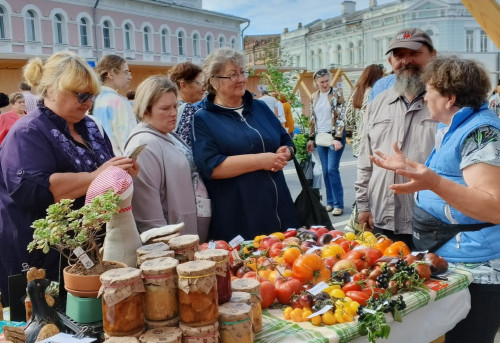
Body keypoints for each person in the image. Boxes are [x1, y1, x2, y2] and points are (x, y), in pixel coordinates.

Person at [370, 56, 500, 343]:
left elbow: (493, 207)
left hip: (477, 271)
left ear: (449, 98)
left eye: (429, 90)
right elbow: (452, 175)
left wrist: (433, 182)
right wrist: (411, 168)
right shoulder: (453, 126)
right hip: (453, 259)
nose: (425, 95)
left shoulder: (481, 132)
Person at [0, 51, 138, 304]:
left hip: (88, 249)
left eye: (91, 96)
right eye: (80, 94)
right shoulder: (28, 131)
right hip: (45, 255)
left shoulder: (90, 126)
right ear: (51, 90)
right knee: (49, 321)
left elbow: (104, 173)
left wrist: (120, 173)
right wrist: (97, 176)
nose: (87, 102)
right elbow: (30, 189)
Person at [192, 48, 298, 242]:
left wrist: (286, 152)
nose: (241, 79)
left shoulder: (260, 108)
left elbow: (286, 140)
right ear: (214, 82)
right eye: (233, 74)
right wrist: (260, 161)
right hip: (240, 215)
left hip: (280, 208)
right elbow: (211, 167)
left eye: (242, 72)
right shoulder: (203, 118)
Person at [355, 28, 438, 248]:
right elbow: (366, 161)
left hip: (432, 222)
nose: (406, 61)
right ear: (391, 62)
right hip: (383, 219)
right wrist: (363, 205)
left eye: (414, 54)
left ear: (433, 56)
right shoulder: (377, 104)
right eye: (399, 56)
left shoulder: (447, 104)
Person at [125, 75, 210, 242]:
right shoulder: (144, 145)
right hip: (173, 243)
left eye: (175, 106)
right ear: (145, 110)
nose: (173, 113)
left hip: (185, 236)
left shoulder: (167, 134)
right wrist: (164, 245)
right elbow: (147, 213)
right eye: (165, 109)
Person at [306, 68, 346, 216]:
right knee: (325, 172)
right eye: (321, 82)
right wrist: (311, 138)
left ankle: (338, 204)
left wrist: (337, 138)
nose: (324, 84)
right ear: (316, 83)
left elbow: (341, 116)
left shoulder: (337, 94)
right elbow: (312, 118)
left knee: (331, 170)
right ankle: (329, 202)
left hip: (334, 136)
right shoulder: (314, 96)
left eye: (327, 81)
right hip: (321, 137)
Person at [93, 54, 137, 156]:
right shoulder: (118, 101)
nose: (130, 77)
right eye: (126, 72)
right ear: (111, 74)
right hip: (119, 164)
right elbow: (129, 142)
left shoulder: (92, 99)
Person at [345, 64, 384, 157]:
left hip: (359, 143)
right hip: (374, 143)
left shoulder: (356, 92)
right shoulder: (377, 93)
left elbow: (348, 119)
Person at [169, 62, 205, 148]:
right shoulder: (190, 110)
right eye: (199, 83)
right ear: (183, 85)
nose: (204, 88)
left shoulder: (169, 107)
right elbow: (189, 149)